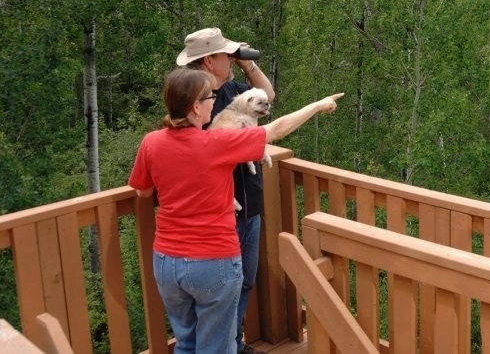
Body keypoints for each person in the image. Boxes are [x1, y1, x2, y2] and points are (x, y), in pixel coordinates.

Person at [128, 67, 342, 354]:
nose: (214, 101)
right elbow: (275, 130)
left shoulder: (150, 142)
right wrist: (317, 105)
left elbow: (143, 191)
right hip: (212, 260)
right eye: (209, 97)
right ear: (195, 107)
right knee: (217, 347)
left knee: (187, 343)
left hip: (167, 262)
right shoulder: (216, 143)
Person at [175, 27, 275, 354]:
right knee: (218, 291)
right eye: (224, 54)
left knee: (245, 279)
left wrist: (247, 63)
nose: (230, 58)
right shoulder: (193, 103)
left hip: (250, 199)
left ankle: (233, 342)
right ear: (208, 61)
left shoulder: (234, 88)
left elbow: (268, 96)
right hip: (219, 210)